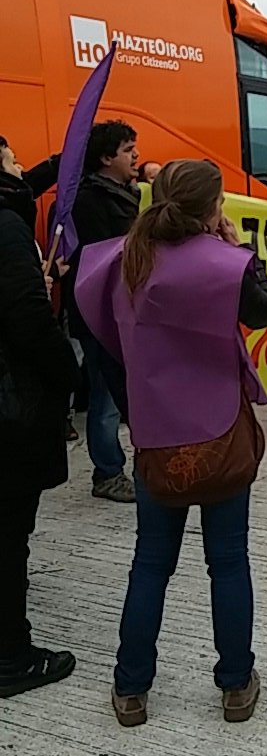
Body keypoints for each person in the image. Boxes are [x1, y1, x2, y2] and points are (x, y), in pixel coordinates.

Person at [75, 159, 267, 725]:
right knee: (228, 562)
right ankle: (235, 683)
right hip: (221, 432)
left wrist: (135, 406)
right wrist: (240, 251)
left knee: (150, 564)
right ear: (213, 208)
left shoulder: (124, 260)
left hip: (156, 436)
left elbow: (102, 339)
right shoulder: (228, 264)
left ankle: (131, 688)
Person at [0, 140, 80, 698]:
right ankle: (12, 657)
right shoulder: (7, 226)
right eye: (10, 159)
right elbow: (27, 318)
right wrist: (67, 372)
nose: (19, 167)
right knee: (8, 538)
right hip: (11, 407)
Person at [64, 120, 140, 503]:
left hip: (125, 312)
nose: (136, 156)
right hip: (101, 315)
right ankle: (108, 473)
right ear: (107, 158)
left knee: (120, 395)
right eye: (128, 150)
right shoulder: (90, 201)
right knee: (106, 398)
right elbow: (104, 261)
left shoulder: (129, 194)